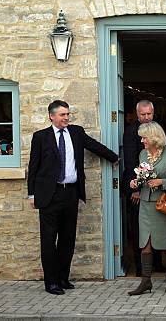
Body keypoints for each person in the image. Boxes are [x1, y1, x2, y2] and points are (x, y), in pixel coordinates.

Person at [27, 100, 119, 295]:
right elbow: (33, 167)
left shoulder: (76, 132)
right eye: (62, 115)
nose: (66, 118)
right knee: (49, 240)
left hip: (71, 193)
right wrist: (31, 194)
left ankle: (63, 278)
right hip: (49, 195)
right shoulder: (41, 137)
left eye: (68, 114)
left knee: (68, 239)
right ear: (51, 116)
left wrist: (114, 157)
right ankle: (51, 282)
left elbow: (93, 146)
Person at [128, 121, 166, 295]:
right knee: (145, 244)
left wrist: (161, 182)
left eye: (144, 138)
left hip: (163, 205)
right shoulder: (143, 154)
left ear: (154, 137)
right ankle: (146, 282)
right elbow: (142, 176)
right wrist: (135, 182)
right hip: (145, 204)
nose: (142, 141)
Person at [122, 100, 166, 275]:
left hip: (155, 188)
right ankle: (141, 268)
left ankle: (157, 263)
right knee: (139, 228)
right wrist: (136, 189)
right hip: (137, 188)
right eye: (143, 114)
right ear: (137, 114)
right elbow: (131, 161)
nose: (146, 117)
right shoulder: (131, 132)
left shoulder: (157, 129)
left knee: (156, 227)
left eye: (149, 114)